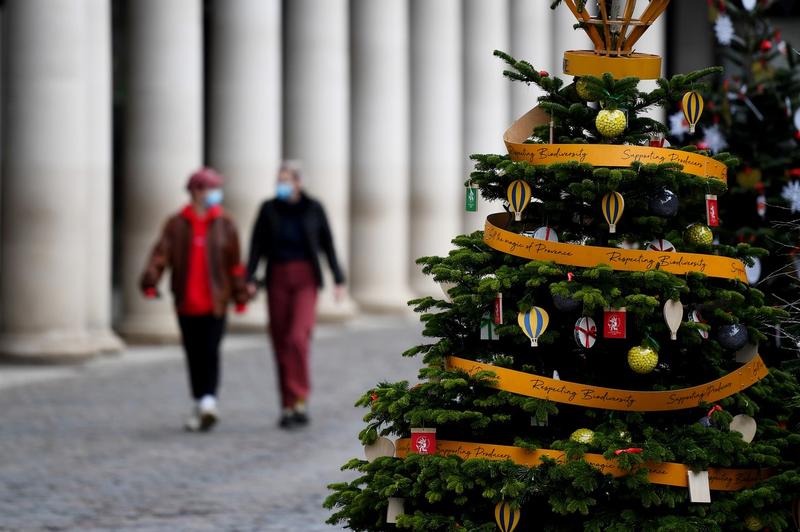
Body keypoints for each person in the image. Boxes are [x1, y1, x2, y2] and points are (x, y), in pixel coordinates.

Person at [140, 167, 248, 432]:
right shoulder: (176, 223)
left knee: (210, 352)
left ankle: (209, 401)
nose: (216, 194)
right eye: (211, 188)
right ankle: (201, 402)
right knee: (193, 354)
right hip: (186, 302)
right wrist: (150, 282)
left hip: (216, 302)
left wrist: (241, 295)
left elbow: (235, 264)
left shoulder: (226, 223)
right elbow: (160, 256)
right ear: (197, 191)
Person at [247, 161, 346, 429]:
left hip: (305, 278)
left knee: (297, 337)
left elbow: (327, 244)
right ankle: (288, 405)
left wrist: (338, 278)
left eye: (286, 179)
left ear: (298, 182)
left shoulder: (314, 208)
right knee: (280, 341)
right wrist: (250, 278)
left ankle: (300, 397)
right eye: (279, 179)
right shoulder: (269, 209)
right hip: (277, 276)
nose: (282, 184)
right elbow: (257, 244)